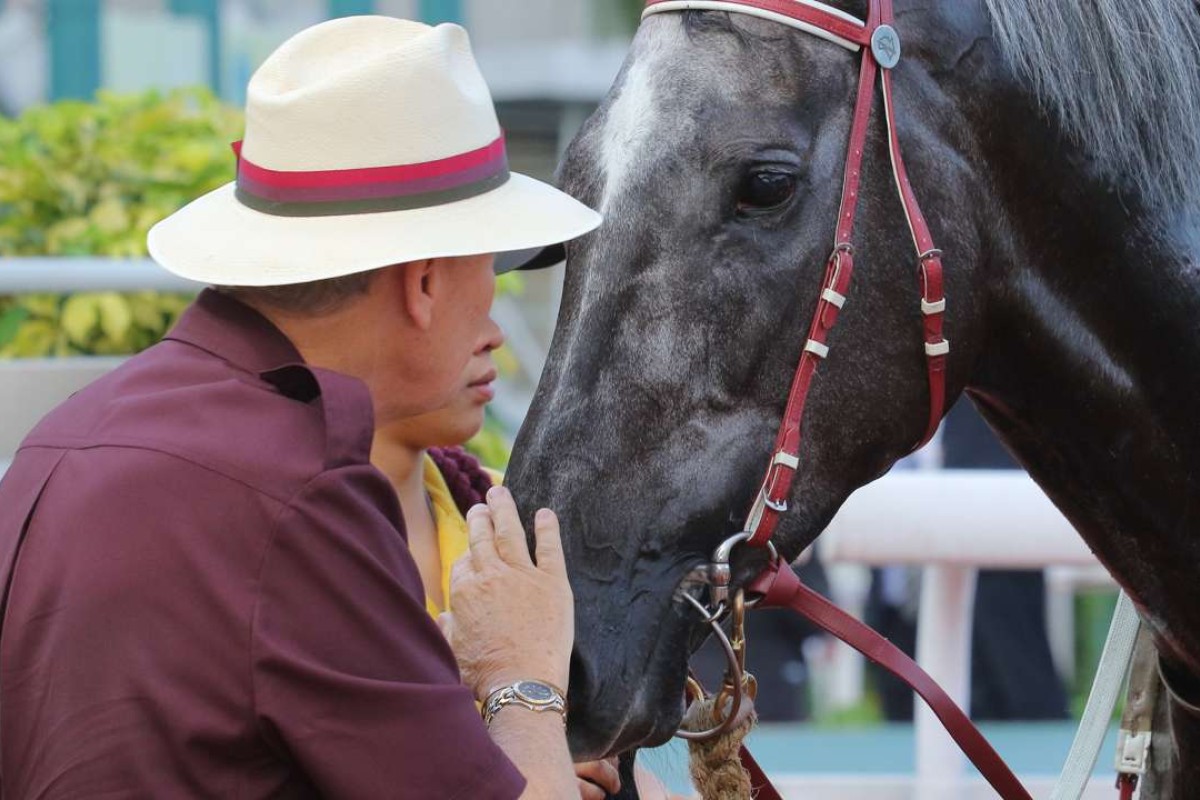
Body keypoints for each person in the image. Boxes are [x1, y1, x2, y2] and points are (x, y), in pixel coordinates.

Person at [0, 16, 604, 798]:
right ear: (424, 283)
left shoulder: (65, 439)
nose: (496, 314)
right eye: (491, 264)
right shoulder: (295, 493)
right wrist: (523, 684)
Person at [374, 402, 679, 799]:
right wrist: (533, 748)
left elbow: (610, 771)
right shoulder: (290, 538)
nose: (492, 337)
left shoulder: (514, 509)